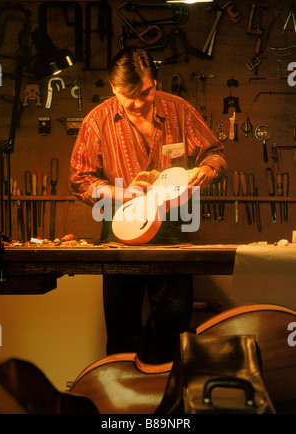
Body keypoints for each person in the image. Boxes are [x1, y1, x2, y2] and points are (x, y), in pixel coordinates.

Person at [69, 47, 227, 363]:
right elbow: (79, 179)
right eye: (129, 96)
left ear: (154, 81)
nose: (139, 103)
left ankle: (168, 404)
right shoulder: (98, 120)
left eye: (145, 92)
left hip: (173, 235)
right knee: (121, 333)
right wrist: (121, 193)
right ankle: (121, 405)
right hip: (119, 237)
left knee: (173, 332)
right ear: (114, 88)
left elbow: (215, 152)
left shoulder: (179, 109)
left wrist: (206, 170)